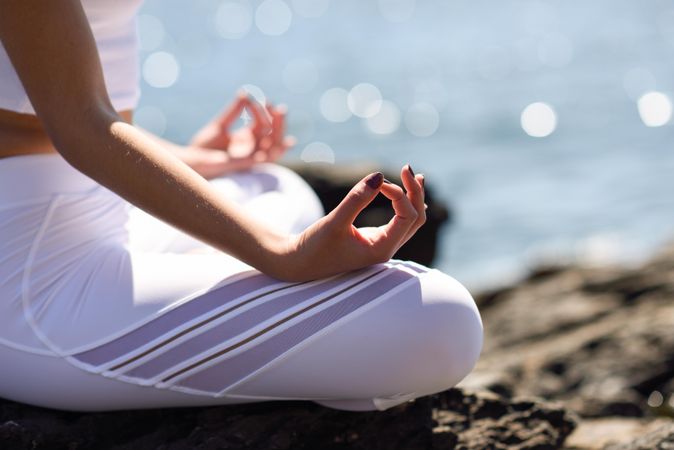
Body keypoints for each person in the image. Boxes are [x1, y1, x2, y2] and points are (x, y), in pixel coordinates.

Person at [0, 0, 483, 412]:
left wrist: (196, 161)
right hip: (29, 279)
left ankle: (251, 333)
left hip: (109, 210)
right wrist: (281, 254)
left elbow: (60, 111)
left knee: (270, 185)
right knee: (443, 322)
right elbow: (80, 123)